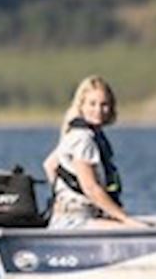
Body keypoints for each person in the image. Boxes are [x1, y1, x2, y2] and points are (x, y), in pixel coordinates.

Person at [43, 75, 147, 228]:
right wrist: (125, 219)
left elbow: (50, 165)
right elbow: (90, 188)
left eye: (104, 104)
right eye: (92, 104)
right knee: (132, 228)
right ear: (81, 105)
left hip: (66, 218)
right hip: (75, 221)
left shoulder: (76, 134)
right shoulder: (83, 139)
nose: (98, 110)